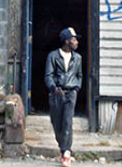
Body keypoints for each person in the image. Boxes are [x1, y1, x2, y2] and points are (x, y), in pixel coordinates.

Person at [44, 26, 82, 167]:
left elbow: (80, 76)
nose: (76, 42)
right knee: (57, 123)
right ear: (66, 41)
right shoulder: (53, 56)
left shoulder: (78, 58)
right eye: (74, 39)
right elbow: (48, 75)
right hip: (56, 94)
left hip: (71, 93)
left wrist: (77, 88)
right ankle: (63, 148)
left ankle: (66, 153)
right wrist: (53, 88)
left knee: (67, 122)